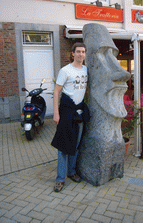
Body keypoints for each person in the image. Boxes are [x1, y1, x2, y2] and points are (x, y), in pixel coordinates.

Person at [51, 42, 90, 192]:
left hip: (79, 112)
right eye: (78, 52)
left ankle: (71, 172)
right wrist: (56, 113)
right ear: (72, 54)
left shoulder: (86, 70)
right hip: (66, 112)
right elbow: (56, 92)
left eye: (83, 52)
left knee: (76, 144)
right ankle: (60, 179)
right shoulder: (65, 71)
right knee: (63, 146)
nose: (81, 54)